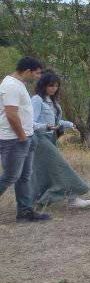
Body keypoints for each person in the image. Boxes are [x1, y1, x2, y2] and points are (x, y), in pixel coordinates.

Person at [30, 71, 90, 209]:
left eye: (56, 85)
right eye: (51, 85)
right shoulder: (37, 100)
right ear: (43, 85)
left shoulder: (53, 101)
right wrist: (46, 126)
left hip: (50, 138)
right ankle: (73, 198)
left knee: (45, 172)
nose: (54, 88)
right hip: (40, 139)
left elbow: (56, 121)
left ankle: (39, 201)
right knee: (62, 166)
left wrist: (69, 124)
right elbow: (30, 123)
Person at [0, 56, 48, 222]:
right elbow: (11, 114)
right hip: (14, 139)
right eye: (37, 73)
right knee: (10, 177)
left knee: (24, 177)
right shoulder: (11, 86)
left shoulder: (19, 85)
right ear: (27, 71)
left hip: (25, 137)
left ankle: (25, 212)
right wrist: (22, 136)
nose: (38, 77)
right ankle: (25, 211)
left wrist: (28, 135)